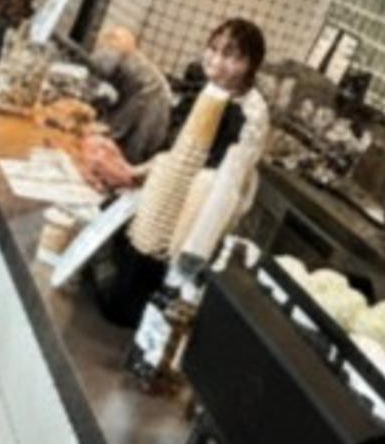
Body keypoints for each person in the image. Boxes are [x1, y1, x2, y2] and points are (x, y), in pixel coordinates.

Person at [96, 16, 270, 327]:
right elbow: (178, 153)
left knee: (149, 302)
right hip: (167, 203)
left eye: (231, 56)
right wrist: (136, 173)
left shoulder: (250, 114)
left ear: (251, 65)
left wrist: (189, 251)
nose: (216, 61)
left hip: (199, 214)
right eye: (213, 49)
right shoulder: (207, 90)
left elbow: (223, 185)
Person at [88, 24, 173, 164]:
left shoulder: (113, 58)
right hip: (154, 121)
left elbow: (98, 75)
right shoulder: (143, 67)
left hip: (142, 113)